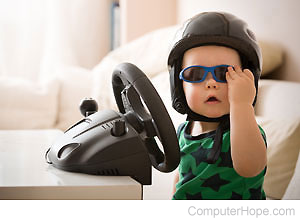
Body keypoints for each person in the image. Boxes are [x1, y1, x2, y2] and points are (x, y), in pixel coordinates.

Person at [168, 12, 267, 199]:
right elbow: (181, 178)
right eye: (196, 73)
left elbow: (250, 167)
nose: (211, 83)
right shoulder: (183, 130)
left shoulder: (246, 131)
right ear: (178, 85)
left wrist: (241, 104)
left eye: (224, 73)